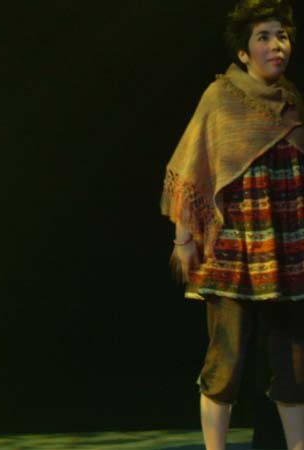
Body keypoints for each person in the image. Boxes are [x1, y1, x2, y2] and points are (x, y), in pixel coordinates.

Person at [160, 1, 304, 449]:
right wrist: (184, 240)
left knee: (294, 365)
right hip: (232, 250)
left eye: (282, 36)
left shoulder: (292, 101)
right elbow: (192, 169)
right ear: (244, 52)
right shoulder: (221, 98)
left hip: (286, 248)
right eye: (264, 37)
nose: (276, 45)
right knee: (226, 362)